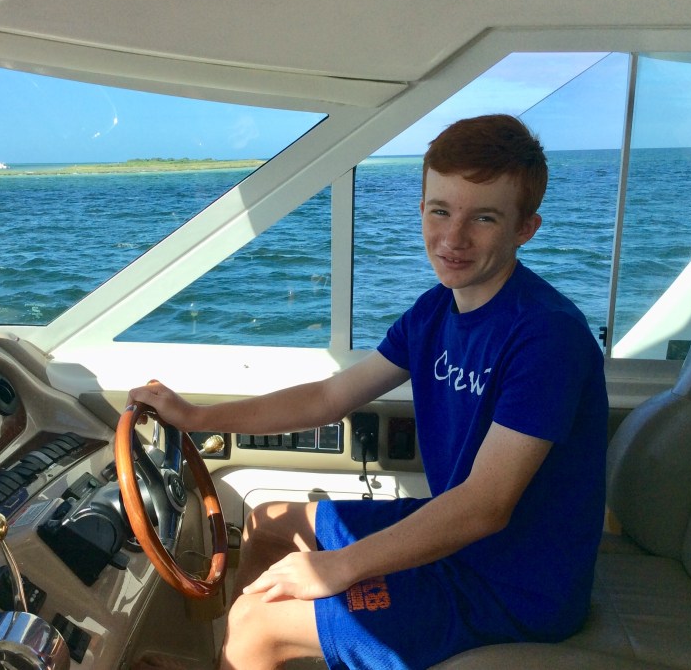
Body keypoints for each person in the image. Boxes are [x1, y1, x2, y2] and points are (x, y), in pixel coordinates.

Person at [129, 114, 608, 670]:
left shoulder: (547, 336)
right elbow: (325, 399)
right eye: (440, 210)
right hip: (464, 547)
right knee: (267, 521)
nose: (452, 239)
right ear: (422, 207)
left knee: (256, 626)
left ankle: (259, 645)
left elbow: (485, 507)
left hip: (514, 586)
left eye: (484, 218)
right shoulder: (435, 312)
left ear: (525, 227)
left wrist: (340, 565)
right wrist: (195, 417)